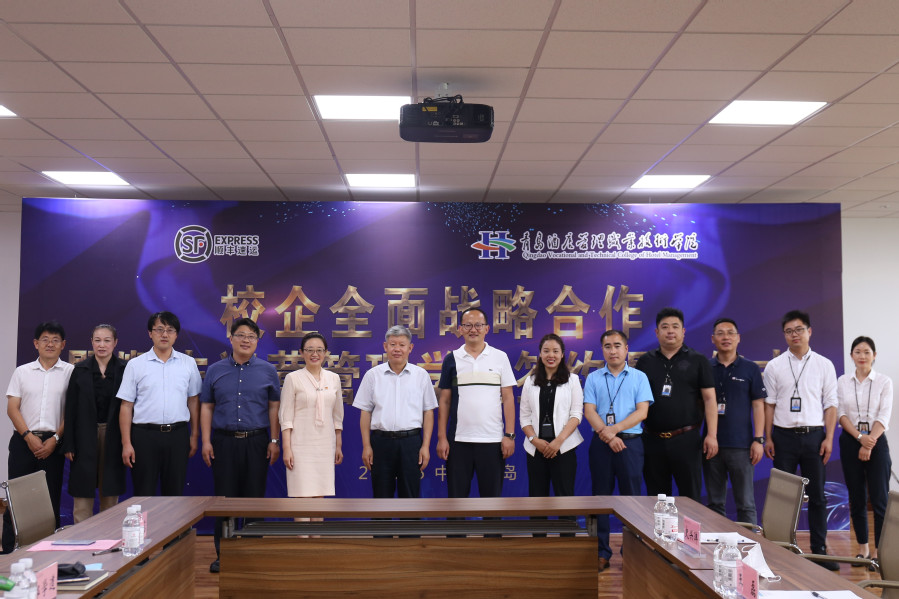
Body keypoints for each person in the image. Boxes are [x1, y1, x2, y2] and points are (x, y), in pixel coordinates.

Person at [201, 318, 281, 574]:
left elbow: (274, 407)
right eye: (241, 335)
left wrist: (274, 440)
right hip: (223, 441)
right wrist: (205, 441)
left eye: (251, 336)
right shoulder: (215, 370)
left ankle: (253, 553)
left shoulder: (268, 371)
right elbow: (207, 407)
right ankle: (224, 555)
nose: (246, 340)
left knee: (254, 499)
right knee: (224, 500)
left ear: (257, 341)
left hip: (257, 441)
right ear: (231, 338)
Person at [763, 309, 839, 569]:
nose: (794, 335)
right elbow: (769, 404)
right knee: (783, 497)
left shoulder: (824, 364)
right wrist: (768, 437)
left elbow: (831, 405)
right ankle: (782, 549)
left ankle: (819, 551)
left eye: (799, 329)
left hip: (814, 437)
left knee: (817, 496)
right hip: (783, 437)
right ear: (784, 335)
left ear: (809, 331)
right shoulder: (774, 366)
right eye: (788, 331)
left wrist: (829, 438)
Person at [584, 329, 652, 571]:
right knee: (600, 499)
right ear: (602, 350)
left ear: (626, 349)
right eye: (607, 346)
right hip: (601, 444)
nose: (612, 351)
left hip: (630, 444)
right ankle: (601, 552)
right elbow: (589, 411)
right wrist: (607, 434)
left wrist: (614, 430)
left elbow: (642, 412)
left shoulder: (639, 377)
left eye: (617, 345)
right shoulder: (593, 378)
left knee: (631, 499)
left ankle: (631, 551)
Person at [3, 321, 73, 553]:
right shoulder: (22, 372)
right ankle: (9, 551)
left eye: (55, 340)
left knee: (50, 499)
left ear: (63, 344)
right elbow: (12, 408)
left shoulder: (71, 372)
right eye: (45, 339)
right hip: (23, 442)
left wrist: (56, 439)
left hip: (53, 444)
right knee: (16, 498)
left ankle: (46, 551)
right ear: (36, 343)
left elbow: (71, 411)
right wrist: (27, 436)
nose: (50, 344)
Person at [636, 307, 717, 501]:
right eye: (665, 327)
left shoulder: (698, 360)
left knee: (691, 499)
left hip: (687, 439)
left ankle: (690, 525)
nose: (670, 331)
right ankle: (659, 524)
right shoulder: (645, 362)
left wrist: (711, 435)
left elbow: (709, 399)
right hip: (652, 440)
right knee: (657, 500)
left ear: (683, 331)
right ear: (657, 332)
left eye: (675, 326)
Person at [118, 311, 202, 496]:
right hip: (144, 437)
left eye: (170, 330)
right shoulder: (135, 365)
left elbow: (193, 400)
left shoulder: (188, 363)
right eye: (159, 329)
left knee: (174, 495)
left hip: (178, 436)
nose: (165, 334)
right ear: (150, 333)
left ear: (176, 335)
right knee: (144, 494)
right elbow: (126, 405)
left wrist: (194, 435)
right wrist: (126, 443)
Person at [437, 307, 516, 499]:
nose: (473, 329)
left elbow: (508, 398)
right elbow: (445, 401)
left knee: (491, 501)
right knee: (456, 501)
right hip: (458, 441)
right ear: (460, 329)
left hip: (492, 441)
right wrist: (442, 437)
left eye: (478, 325)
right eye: (468, 325)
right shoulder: (451, 359)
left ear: (487, 328)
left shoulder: (500, 357)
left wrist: (509, 435)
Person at [353, 325, 436, 498]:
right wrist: (366, 446)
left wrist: (425, 446)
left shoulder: (421, 375)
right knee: (381, 498)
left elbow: (428, 411)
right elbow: (365, 412)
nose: (397, 349)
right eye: (393, 344)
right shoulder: (372, 375)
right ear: (385, 346)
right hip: (381, 443)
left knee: (410, 497)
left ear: (410, 348)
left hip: (411, 443)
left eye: (402, 345)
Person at [62, 324, 127, 523]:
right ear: (91, 342)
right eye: (97, 340)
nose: (102, 345)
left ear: (115, 343)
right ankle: (81, 537)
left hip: (114, 434)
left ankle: (109, 535)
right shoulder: (80, 369)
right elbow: (70, 409)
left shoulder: (125, 369)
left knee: (110, 491)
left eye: (107, 340)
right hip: (84, 435)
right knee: (82, 492)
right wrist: (69, 443)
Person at [704, 318, 767, 524]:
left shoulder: (750, 368)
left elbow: (758, 405)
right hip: (711, 445)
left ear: (738, 338)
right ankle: (716, 542)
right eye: (720, 333)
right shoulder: (705, 367)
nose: (726, 337)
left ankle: (749, 544)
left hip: (742, 446)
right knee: (715, 503)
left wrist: (758, 439)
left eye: (730, 333)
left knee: (746, 503)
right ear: (713, 339)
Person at [837, 336, 892, 567]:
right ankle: (863, 550)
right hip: (851, 440)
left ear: (874, 355)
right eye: (857, 352)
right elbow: (841, 414)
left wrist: (869, 442)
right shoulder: (842, 381)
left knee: (879, 499)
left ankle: (879, 552)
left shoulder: (884, 381)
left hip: (876, 439)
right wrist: (860, 439)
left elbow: (884, 415)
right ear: (851, 355)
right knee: (857, 497)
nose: (862, 356)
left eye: (867, 352)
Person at [519, 333, 583, 499]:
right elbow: (524, 417)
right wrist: (534, 440)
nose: (551, 355)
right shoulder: (530, 381)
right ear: (540, 354)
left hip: (564, 447)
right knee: (537, 498)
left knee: (565, 498)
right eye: (546, 351)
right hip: (536, 448)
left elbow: (576, 414)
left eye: (555, 351)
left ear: (562, 354)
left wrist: (558, 441)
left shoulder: (573, 380)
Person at [280, 332, 343, 498]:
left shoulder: (334, 378)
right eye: (310, 350)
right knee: (301, 496)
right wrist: (287, 448)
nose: (315, 354)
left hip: (325, 444)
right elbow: (286, 417)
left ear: (326, 353)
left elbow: (337, 416)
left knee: (320, 496)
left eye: (319, 350)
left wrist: (338, 445)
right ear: (302, 352)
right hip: (300, 445)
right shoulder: (293, 378)